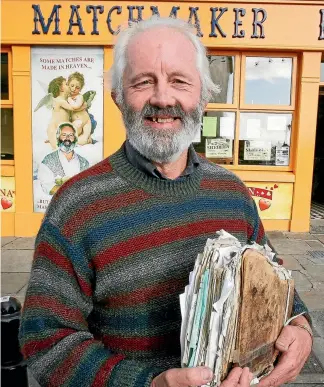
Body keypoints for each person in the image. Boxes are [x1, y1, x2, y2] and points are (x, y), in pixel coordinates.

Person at [19, 17, 312, 387]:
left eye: (179, 80)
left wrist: (299, 326)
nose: (162, 98)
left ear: (203, 96)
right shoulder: (76, 207)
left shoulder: (233, 194)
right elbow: (45, 341)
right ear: (118, 97)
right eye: (143, 82)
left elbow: (275, 281)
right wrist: (149, 383)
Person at [38, 122, 89, 195]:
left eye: (71, 135)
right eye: (64, 135)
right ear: (58, 138)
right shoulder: (48, 161)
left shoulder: (84, 163)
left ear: (75, 138)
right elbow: (48, 187)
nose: (67, 138)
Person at [67, 72, 94, 145]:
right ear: (68, 85)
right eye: (72, 86)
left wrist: (69, 99)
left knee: (84, 136)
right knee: (74, 137)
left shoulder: (79, 96)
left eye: (77, 87)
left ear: (80, 89)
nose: (74, 89)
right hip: (77, 122)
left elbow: (76, 106)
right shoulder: (66, 96)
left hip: (86, 121)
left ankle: (87, 138)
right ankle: (86, 139)